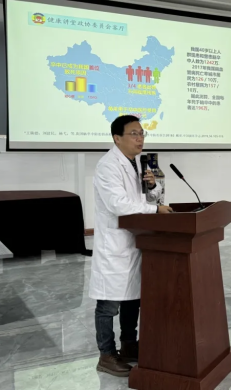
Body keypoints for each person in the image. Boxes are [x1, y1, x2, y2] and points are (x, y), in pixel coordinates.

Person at [89, 115, 173, 377]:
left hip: (134, 241)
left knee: (132, 298)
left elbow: (147, 199)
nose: (140, 138)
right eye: (134, 133)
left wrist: (152, 186)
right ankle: (106, 354)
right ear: (117, 138)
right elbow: (119, 204)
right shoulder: (108, 166)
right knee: (109, 305)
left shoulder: (134, 163)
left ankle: (128, 345)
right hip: (115, 244)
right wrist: (155, 210)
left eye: (142, 133)